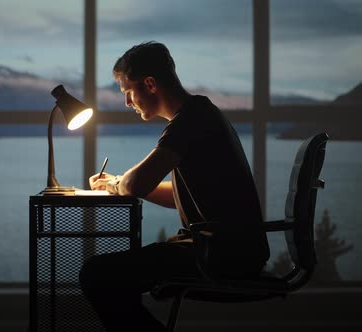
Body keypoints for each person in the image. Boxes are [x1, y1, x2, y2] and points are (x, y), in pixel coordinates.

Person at [79, 41, 270, 332]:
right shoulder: (200, 114)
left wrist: (118, 184)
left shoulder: (190, 121)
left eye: (129, 92)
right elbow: (174, 194)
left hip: (220, 254)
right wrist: (120, 185)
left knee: (95, 275)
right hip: (231, 249)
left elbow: (138, 183)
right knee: (113, 275)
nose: (128, 103)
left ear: (150, 84)